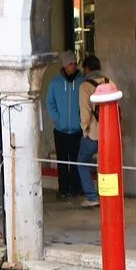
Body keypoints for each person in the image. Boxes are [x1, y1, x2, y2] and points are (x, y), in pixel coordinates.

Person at [44, 51, 83, 199]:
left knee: (75, 161)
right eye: (69, 63)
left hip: (76, 130)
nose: (72, 66)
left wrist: (80, 120)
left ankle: (75, 188)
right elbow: (49, 102)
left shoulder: (81, 82)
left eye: (74, 63)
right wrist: (57, 118)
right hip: (60, 130)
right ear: (64, 66)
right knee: (62, 161)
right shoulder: (55, 83)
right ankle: (63, 189)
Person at [75, 55, 109, 209]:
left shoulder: (85, 86)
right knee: (104, 165)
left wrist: (84, 130)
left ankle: (91, 196)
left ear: (87, 69)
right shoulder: (110, 82)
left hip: (93, 133)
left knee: (82, 163)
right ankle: (106, 194)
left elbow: (85, 112)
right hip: (109, 133)